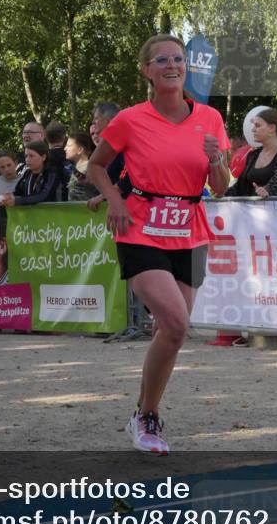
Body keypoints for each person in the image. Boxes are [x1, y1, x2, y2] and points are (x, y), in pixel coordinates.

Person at [87, 33, 230, 455]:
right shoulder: (130, 119)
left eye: (179, 59)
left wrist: (216, 159)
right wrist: (113, 199)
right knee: (177, 323)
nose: (172, 65)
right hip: (140, 226)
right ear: (147, 71)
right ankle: (147, 417)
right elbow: (96, 166)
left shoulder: (210, 119)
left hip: (189, 229)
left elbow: (219, 188)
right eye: (162, 60)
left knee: (171, 332)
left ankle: (142, 411)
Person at [227, 109, 277, 198]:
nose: (253, 129)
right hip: (254, 210)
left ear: (271, 128)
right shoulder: (253, 155)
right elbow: (240, 187)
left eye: (257, 125)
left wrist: (267, 190)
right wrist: (222, 193)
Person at [2, 140, 67, 206]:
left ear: (43, 157)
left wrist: (18, 201)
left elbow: (44, 196)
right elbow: (18, 192)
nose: (27, 159)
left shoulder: (52, 173)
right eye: (26, 156)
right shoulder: (27, 173)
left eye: (31, 156)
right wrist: (7, 198)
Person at [65, 131, 99, 202]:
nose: (65, 148)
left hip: (87, 211)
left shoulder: (90, 167)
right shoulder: (74, 167)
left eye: (69, 146)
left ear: (80, 150)